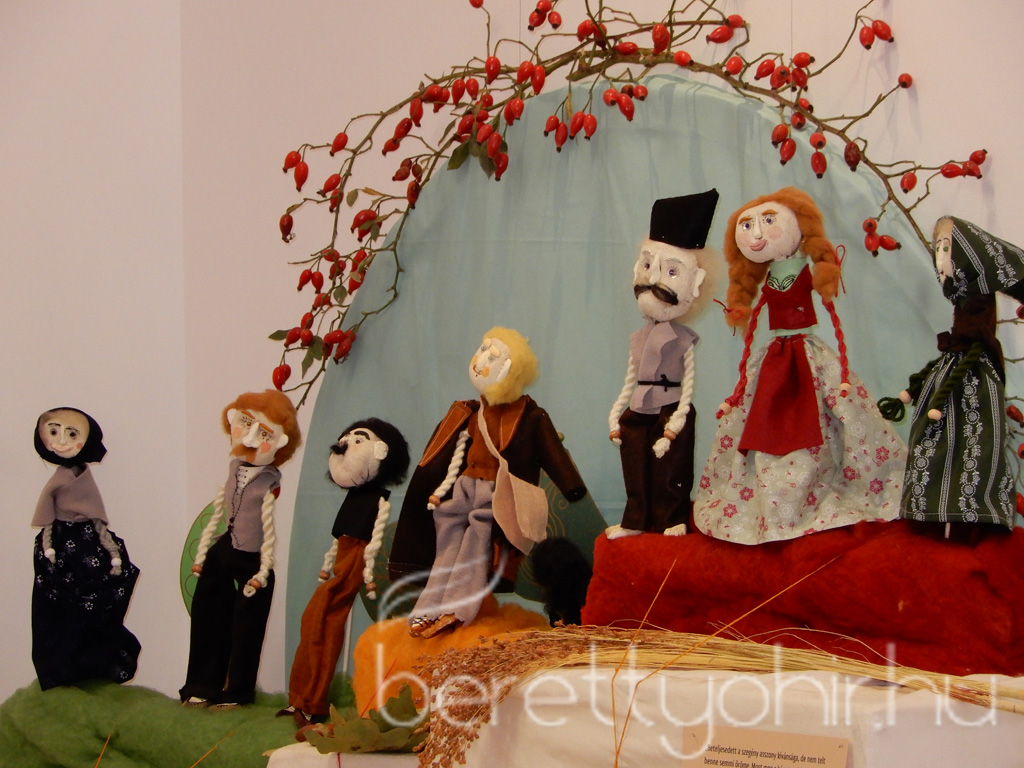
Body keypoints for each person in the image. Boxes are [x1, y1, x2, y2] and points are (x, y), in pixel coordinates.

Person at [693, 187, 904, 544]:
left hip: (808, 354)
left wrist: (843, 367)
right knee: (761, 416)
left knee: (834, 412)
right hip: (774, 357)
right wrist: (741, 311)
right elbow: (758, 315)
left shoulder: (804, 271)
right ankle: (768, 495)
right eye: (748, 226)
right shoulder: (769, 279)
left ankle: (834, 484)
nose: (757, 234)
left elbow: (832, 316)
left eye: (768, 221)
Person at [389, 327, 586, 639]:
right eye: (483, 350)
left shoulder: (529, 416)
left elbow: (552, 452)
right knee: (447, 547)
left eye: (493, 356)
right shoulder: (466, 411)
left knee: (474, 547)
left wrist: (570, 484)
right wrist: (438, 487)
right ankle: (427, 609)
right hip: (462, 488)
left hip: (497, 495)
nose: (482, 360)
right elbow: (443, 451)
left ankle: (458, 609)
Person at [882, 216, 1024, 534]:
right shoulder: (960, 292)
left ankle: (970, 518)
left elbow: (981, 332)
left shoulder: (980, 291)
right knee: (938, 435)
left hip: (973, 367)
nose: (940, 257)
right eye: (939, 248)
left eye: (947, 248)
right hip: (957, 362)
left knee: (976, 437)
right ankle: (932, 511)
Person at [607, 189, 720, 538]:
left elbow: (689, 382)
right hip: (639, 407)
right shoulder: (638, 338)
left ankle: (672, 518)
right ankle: (636, 520)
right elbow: (630, 378)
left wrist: (679, 418)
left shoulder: (683, 338)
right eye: (648, 266)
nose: (654, 280)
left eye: (671, 271)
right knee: (634, 464)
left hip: (671, 408)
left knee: (672, 468)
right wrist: (616, 414)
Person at [282, 418, 409, 722]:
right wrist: (329, 561)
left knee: (324, 620)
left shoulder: (377, 499)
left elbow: (374, 534)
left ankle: (312, 702)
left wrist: (366, 571)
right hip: (343, 555)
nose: (345, 445)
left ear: (381, 451)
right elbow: (340, 537)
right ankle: (300, 698)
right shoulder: (355, 496)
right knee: (314, 622)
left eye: (359, 439)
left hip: (354, 560)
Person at [180, 389, 301, 708]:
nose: (249, 437)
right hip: (224, 548)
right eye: (245, 423)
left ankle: (237, 691)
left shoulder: (269, 480)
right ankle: (202, 684)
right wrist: (206, 550)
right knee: (207, 614)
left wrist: (263, 568)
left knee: (247, 627)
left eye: (263, 433)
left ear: (279, 443)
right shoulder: (234, 468)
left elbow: (268, 527)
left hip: (252, 558)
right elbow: (220, 510)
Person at [31, 407, 140, 690]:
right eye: (53, 432)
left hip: (88, 542)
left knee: (105, 593)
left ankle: (96, 663)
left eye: (72, 434)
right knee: (60, 609)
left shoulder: (82, 474)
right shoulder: (61, 483)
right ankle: (65, 668)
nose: (61, 441)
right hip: (61, 546)